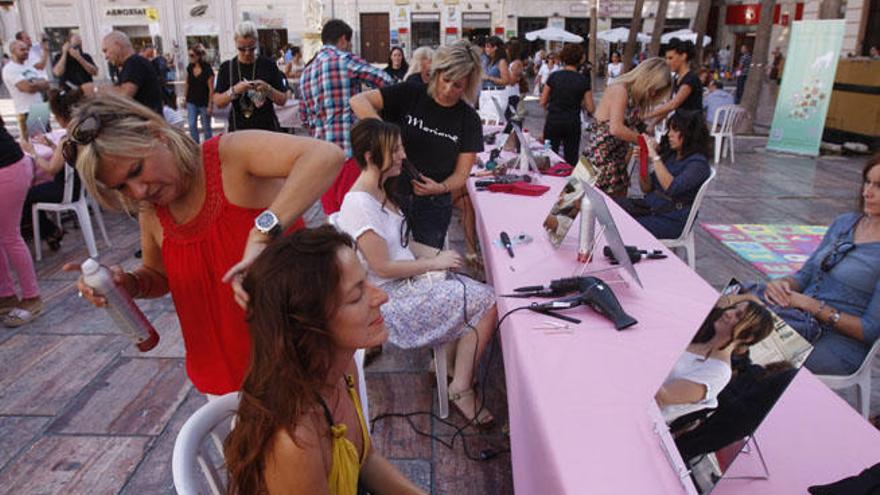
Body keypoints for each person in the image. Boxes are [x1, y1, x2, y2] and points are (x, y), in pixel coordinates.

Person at [66, 93, 344, 396]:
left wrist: (261, 233)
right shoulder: (152, 212)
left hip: (296, 365)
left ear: (156, 135)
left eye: (136, 170)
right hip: (219, 381)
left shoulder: (230, 156)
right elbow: (158, 277)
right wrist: (128, 284)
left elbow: (325, 156)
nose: (138, 190)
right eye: (121, 186)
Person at [223, 227, 427, 495]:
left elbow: (365, 460)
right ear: (310, 326)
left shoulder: (342, 368)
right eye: (356, 296)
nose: (381, 296)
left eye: (366, 280)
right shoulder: (295, 440)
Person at [336, 118, 497, 426]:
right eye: (395, 150)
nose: (402, 156)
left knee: (469, 289)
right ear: (371, 157)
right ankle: (461, 387)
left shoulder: (380, 192)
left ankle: (448, 368)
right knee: (487, 301)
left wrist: (438, 255)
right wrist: (434, 263)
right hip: (390, 301)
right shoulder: (359, 203)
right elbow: (382, 266)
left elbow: (403, 244)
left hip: (405, 285)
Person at [747, 155, 880, 376]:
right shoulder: (845, 223)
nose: (867, 192)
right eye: (867, 182)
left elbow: (869, 330)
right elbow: (805, 275)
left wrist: (812, 306)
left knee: (753, 352)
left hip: (841, 342)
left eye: (879, 186)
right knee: (729, 315)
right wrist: (782, 285)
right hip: (799, 319)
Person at [349, 41, 484, 254]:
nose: (448, 90)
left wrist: (440, 188)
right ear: (436, 73)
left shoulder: (469, 119)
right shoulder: (411, 92)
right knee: (386, 254)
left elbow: (461, 174)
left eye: (457, 85)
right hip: (390, 192)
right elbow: (358, 101)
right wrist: (386, 135)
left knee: (429, 263)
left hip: (434, 203)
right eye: (445, 80)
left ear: (467, 86)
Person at [656, 299, 774, 424]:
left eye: (738, 316)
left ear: (748, 337)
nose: (728, 313)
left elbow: (664, 397)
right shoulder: (698, 338)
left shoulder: (719, 372)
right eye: (733, 308)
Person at [299, 19, 393, 156]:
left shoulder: (305, 72)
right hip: (348, 150)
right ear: (343, 39)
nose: (350, 47)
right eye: (350, 44)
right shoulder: (344, 60)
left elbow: (304, 118)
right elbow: (386, 81)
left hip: (320, 154)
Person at [583, 57, 672, 197]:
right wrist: (644, 141)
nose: (654, 94)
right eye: (654, 88)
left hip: (616, 162)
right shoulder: (620, 90)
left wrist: (650, 141)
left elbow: (638, 128)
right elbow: (616, 129)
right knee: (581, 211)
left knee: (613, 212)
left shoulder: (633, 96)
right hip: (599, 163)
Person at [616, 111, 712, 239]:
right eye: (669, 130)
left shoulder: (698, 164)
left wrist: (655, 156)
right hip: (651, 207)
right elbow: (647, 188)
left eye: (675, 130)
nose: (669, 135)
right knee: (608, 208)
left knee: (620, 227)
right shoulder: (672, 155)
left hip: (671, 219)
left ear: (690, 134)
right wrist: (643, 162)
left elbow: (672, 187)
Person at [21, 88, 86, 252]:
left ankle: (50, 231)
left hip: (65, 191)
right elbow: (65, 155)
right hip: (80, 188)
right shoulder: (81, 134)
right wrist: (50, 145)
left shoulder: (67, 139)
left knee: (24, 195)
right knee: (32, 192)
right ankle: (50, 231)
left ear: (62, 118)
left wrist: (33, 152)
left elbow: (51, 169)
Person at [0, 124, 42, 328]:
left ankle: (32, 297)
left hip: (7, 170)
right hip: (12, 166)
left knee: (10, 237)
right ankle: (6, 295)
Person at [214, 21, 288, 132]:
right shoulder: (227, 67)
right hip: (238, 131)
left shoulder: (268, 65)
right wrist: (234, 90)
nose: (247, 53)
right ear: (235, 43)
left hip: (267, 131)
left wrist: (268, 89)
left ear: (256, 43)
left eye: (252, 48)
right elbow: (218, 102)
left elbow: (282, 100)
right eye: (242, 49)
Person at [540, 43, 594, 167]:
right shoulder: (583, 80)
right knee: (571, 157)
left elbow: (542, 101)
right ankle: (568, 183)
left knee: (547, 154)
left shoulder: (554, 76)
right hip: (572, 123)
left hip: (552, 122)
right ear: (581, 59)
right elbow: (590, 107)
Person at [101, 31, 164, 115]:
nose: (106, 56)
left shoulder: (134, 62)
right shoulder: (132, 63)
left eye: (106, 50)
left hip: (145, 124)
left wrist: (101, 90)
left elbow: (124, 95)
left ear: (118, 46)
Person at [2, 40, 49, 140]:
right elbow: (27, 88)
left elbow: (46, 84)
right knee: (33, 144)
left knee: (47, 140)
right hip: (26, 111)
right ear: (13, 51)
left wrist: (34, 83)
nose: (26, 51)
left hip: (40, 108)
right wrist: (36, 84)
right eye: (22, 49)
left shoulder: (29, 66)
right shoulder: (10, 69)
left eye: (27, 49)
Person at [646, 38, 702, 122]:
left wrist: (647, 115)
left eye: (670, 58)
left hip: (691, 125)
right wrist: (653, 123)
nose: (667, 62)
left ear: (683, 56)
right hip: (680, 123)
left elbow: (674, 104)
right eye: (667, 58)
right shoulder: (677, 78)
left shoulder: (691, 78)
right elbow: (669, 106)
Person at [184, 45, 215, 143]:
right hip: (191, 100)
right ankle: (195, 146)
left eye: (192, 55)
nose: (190, 58)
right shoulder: (190, 67)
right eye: (189, 55)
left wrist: (210, 105)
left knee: (206, 125)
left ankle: (208, 145)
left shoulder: (207, 69)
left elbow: (211, 88)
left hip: (204, 101)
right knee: (192, 124)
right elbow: (187, 83)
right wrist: (185, 98)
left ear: (198, 56)